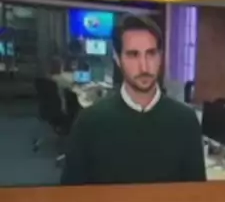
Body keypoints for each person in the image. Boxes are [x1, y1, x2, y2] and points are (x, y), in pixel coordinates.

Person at [60, 15, 206, 185]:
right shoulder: (89, 123)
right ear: (117, 59)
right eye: (133, 55)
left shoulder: (186, 121)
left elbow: (196, 196)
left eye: (151, 53)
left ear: (160, 57)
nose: (144, 67)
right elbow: (71, 196)